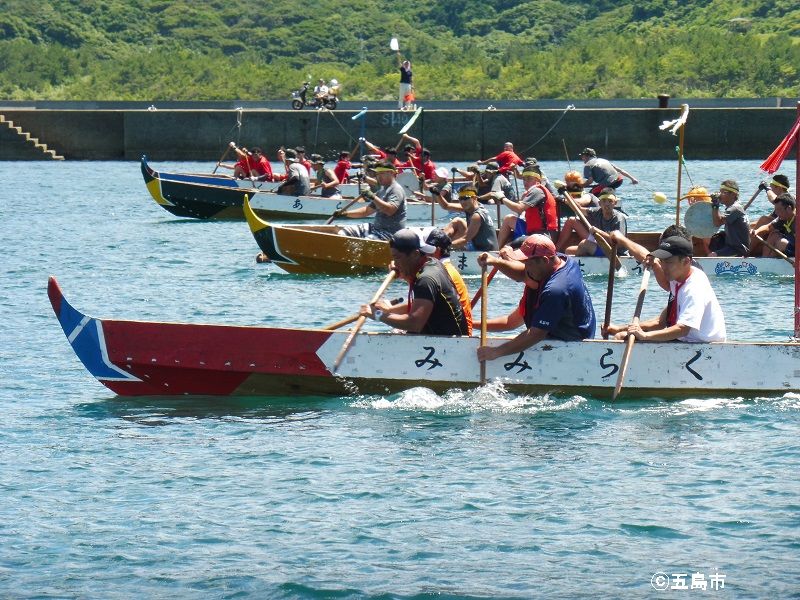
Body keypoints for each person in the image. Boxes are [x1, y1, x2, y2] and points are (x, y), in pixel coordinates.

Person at [476, 234, 596, 363]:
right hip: (566, 329)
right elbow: (510, 321)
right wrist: (496, 262)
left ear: (544, 261)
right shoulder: (561, 260)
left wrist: (495, 352)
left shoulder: (555, 291)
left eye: (528, 264)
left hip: (574, 344)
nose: (525, 268)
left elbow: (536, 334)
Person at [604, 236, 726, 343]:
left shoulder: (694, 288)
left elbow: (682, 329)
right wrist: (619, 329)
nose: (664, 267)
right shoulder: (678, 278)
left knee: (621, 337)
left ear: (685, 262)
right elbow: (660, 322)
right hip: (688, 341)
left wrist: (645, 336)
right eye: (662, 262)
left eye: (669, 263)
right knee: (620, 335)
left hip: (702, 345)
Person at [359, 229, 468, 336]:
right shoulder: (433, 263)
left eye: (397, 257)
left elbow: (414, 323)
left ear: (415, 254)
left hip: (449, 343)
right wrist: (405, 275)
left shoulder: (426, 279)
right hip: (440, 337)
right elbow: (424, 297)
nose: (394, 263)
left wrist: (377, 315)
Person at [336, 159, 407, 240]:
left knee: (366, 241)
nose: (379, 177)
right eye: (377, 174)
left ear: (391, 173)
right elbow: (367, 211)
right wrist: (345, 213)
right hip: (377, 228)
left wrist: (373, 197)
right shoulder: (381, 190)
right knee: (344, 232)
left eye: (382, 173)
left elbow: (390, 211)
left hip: (391, 232)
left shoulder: (396, 189)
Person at [424, 228, 474, 335]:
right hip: (455, 329)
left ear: (436, 251)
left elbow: (422, 305)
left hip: (459, 334)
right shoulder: (443, 268)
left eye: (424, 250)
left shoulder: (441, 272)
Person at [496, 168, 559, 247]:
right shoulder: (530, 192)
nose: (525, 182)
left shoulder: (537, 191)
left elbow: (519, 209)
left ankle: (499, 250)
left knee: (508, 247)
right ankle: (497, 249)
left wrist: (502, 198)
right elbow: (520, 210)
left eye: (529, 179)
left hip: (543, 235)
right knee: (508, 219)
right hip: (533, 232)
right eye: (524, 179)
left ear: (538, 180)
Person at [555, 188, 627, 256]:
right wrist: (566, 195)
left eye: (610, 201)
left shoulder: (619, 218)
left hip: (615, 253)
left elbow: (620, 243)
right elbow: (579, 209)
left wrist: (599, 232)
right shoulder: (597, 212)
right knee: (568, 250)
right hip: (601, 247)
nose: (607, 204)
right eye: (604, 201)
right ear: (599, 203)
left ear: (615, 203)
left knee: (584, 245)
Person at [435, 184, 499, 251]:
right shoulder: (472, 206)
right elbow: (446, 206)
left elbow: (465, 240)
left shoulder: (477, 216)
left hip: (486, 252)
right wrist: (437, 194)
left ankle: (438, 246)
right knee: (457, 221)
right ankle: (438, 241)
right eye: (460, 199)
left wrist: (443, 247)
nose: (462, 202)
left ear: (474, 198)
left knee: (451, 242)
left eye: (465, 198)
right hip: (477, 247)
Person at [708, 179, 750, 257]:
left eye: (723, 192)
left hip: (738, 250)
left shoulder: (734, 208)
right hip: (731, 247)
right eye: (720, 191)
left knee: (711, 256)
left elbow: (717, 223)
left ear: (733, 194)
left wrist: (715, 205)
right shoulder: (733, 208)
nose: (720, 195)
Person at [751, 193, 795, 258]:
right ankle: (764, 260)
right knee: (774, 235)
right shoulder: (783, 218)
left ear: (789, 208)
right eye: (775, 210)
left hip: (796, 250)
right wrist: (757, 231)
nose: (776, 213)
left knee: (782, 243)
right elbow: (768, 227)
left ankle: (769, 262)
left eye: (779, 210)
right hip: (791, 245)